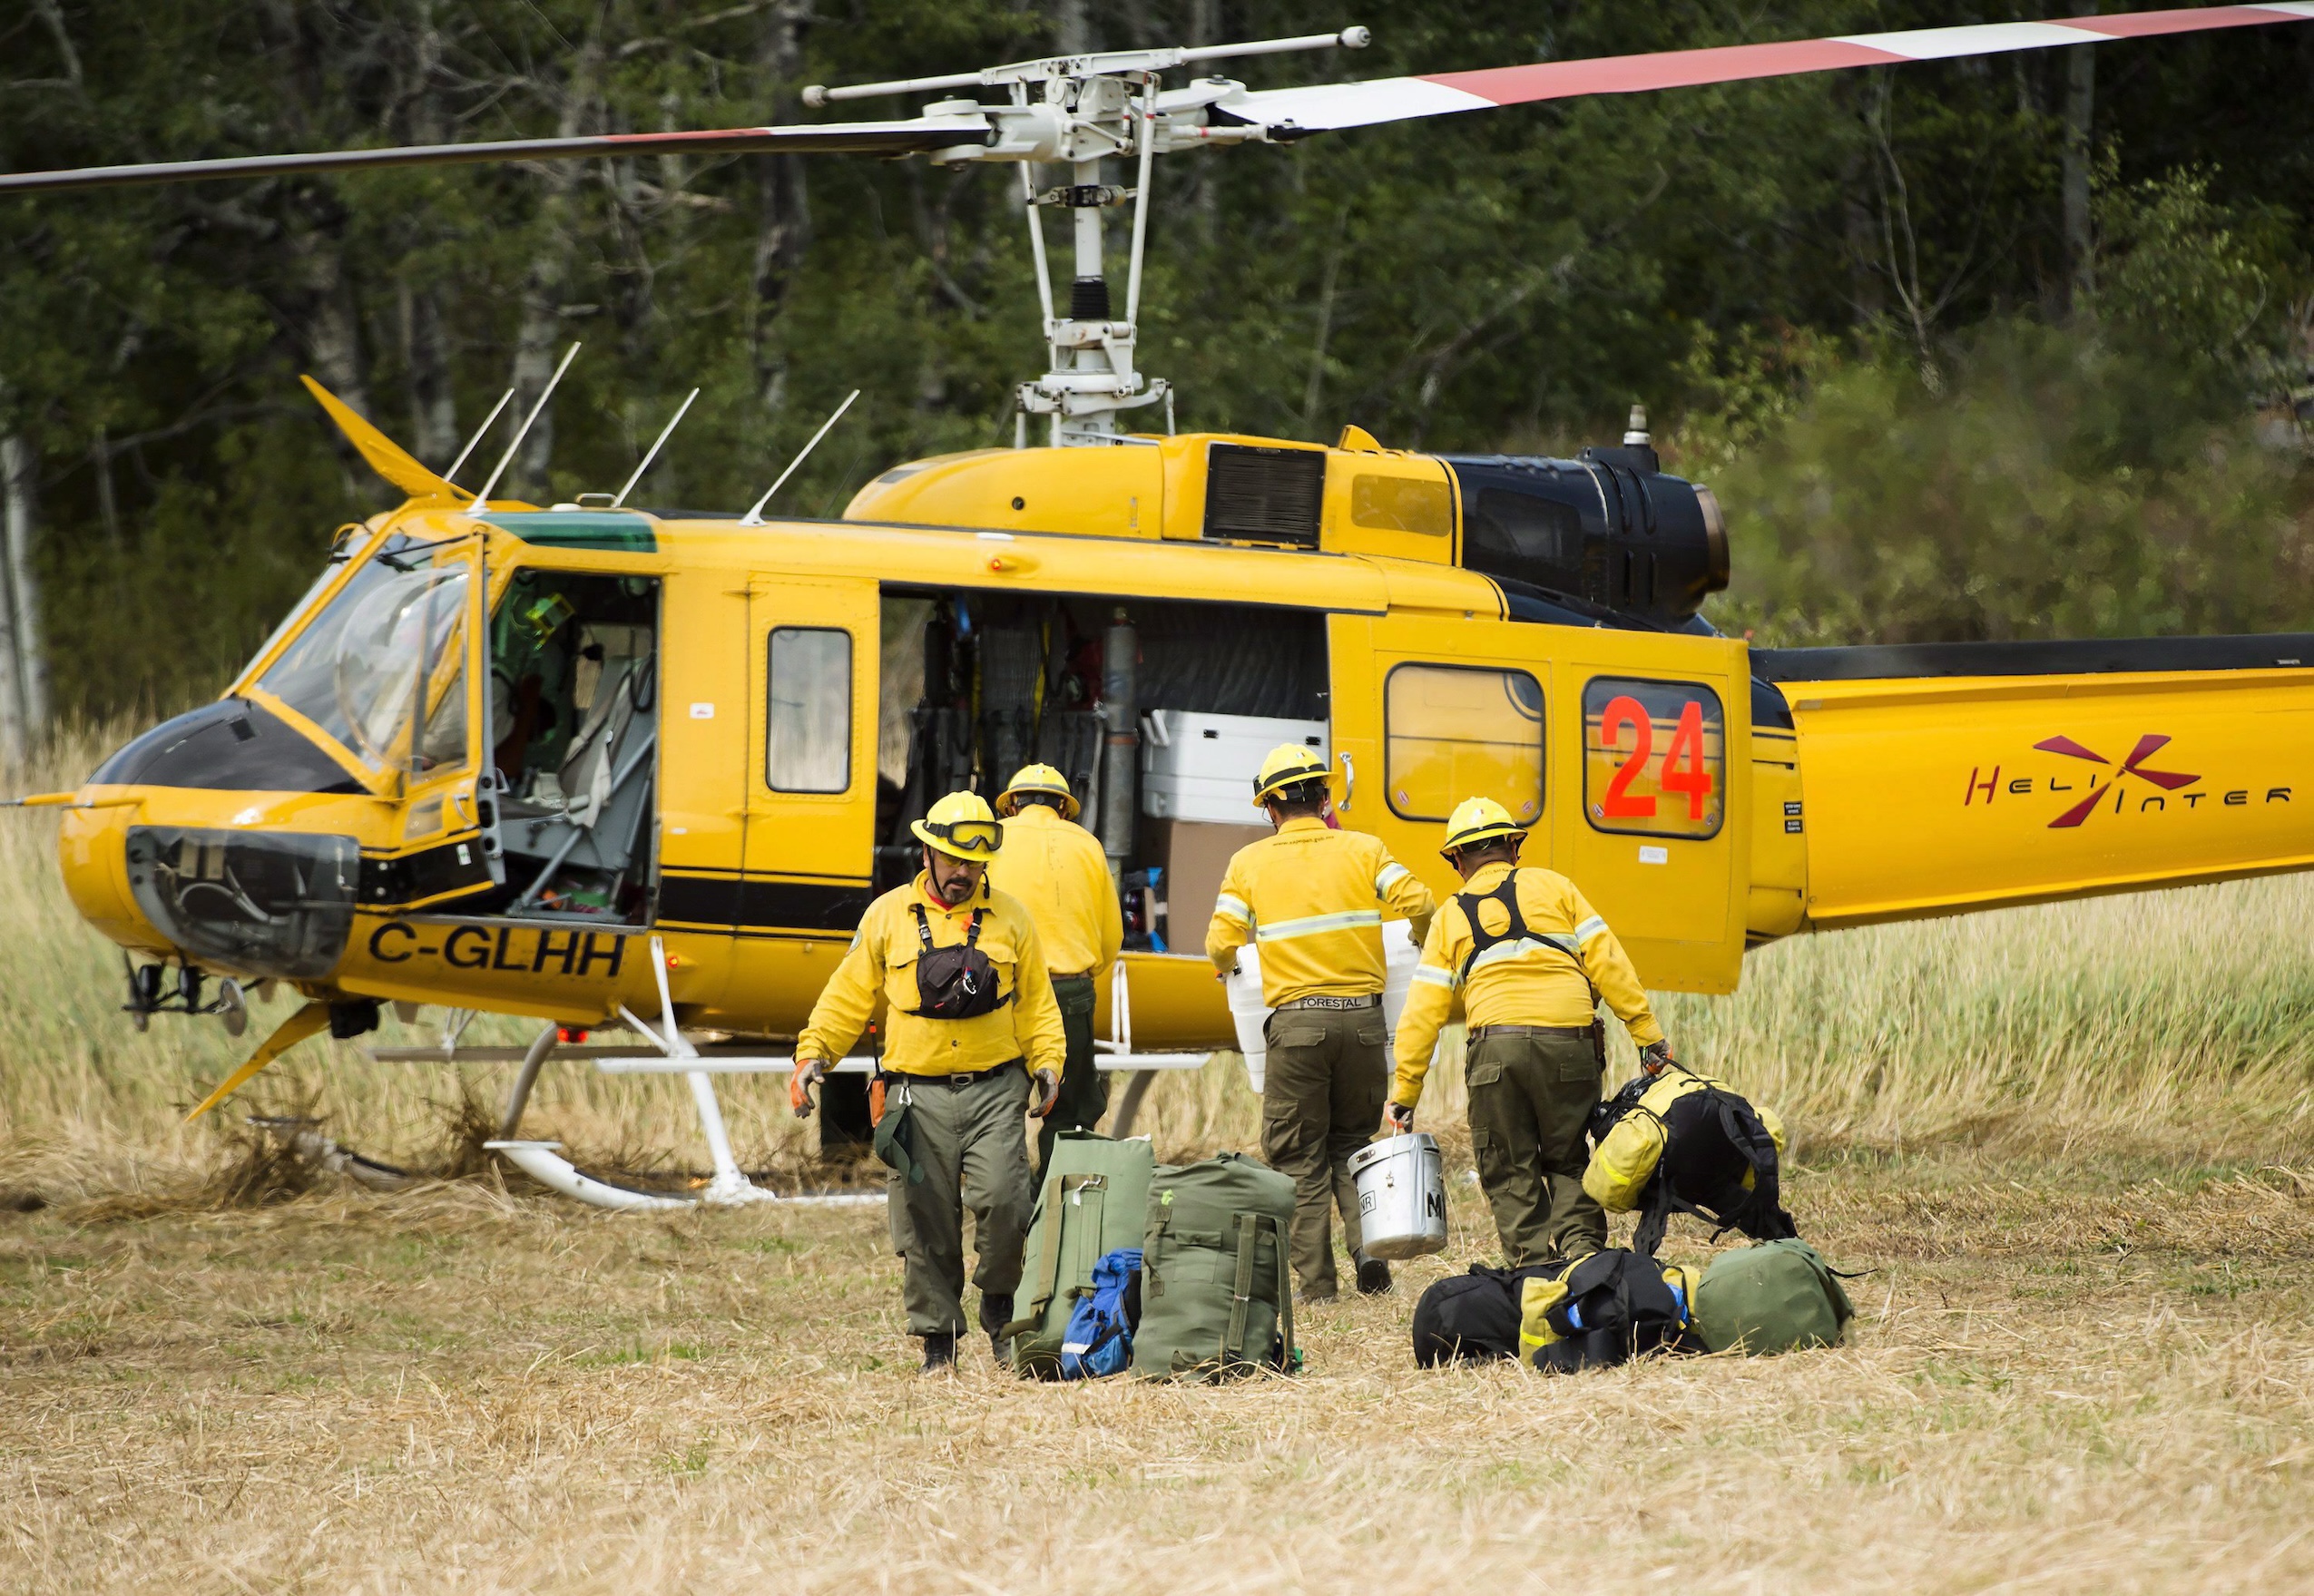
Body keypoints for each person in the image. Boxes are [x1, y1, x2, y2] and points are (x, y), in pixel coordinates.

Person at [790, 790, 1067, 1374]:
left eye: (976, 863)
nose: (965, 873)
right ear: (927, 853)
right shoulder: (886, 915)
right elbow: (847, 995)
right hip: (914, 1094)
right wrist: (813, 1056)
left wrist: (1048, 1062)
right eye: (954, 860)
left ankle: (999, 1305)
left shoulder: (1013, 918)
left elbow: (1039, 1005)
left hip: (996, 1090)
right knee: (924, 1217)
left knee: (1007, 1200)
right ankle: (938, 1343)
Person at [1387, 797, 1674, 1267]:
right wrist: (1648, 1037)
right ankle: (1584, 1262)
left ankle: (1535, 1276)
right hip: (1571, 1045)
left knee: (1508, 1169)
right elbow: (1609, 963)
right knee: (1569, 1157)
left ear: (1457, 859)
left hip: (1494, 1054)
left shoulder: (1449, 917)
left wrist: (1404, 1093)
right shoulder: (1556, 887)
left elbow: (1422, 1014)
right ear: (1514, 847)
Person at [1207, 743, 1436, 1303]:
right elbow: (1424, 902)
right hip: (1363, 1022)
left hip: (1298, 1031)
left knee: (1297, 1155)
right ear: (1326, 796)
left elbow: (1219, 942)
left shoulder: (1250, 863)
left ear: (1270, 809)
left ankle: (1317, 1287)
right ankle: (1369, 1251)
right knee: (1351, 1143)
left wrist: (1229, 967)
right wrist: (1417, 941)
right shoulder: (1365, 848)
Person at [987, 763, 1123, 1171]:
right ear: (1064, 809)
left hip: (1001, 993)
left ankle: (1006, 1205)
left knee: (997, 1108)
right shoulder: (1088, 845)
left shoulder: (990, 840)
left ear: (1012, 805)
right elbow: (1110, 938)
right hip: (1069, 994)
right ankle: (1056, 1210)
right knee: (1072, 1111)